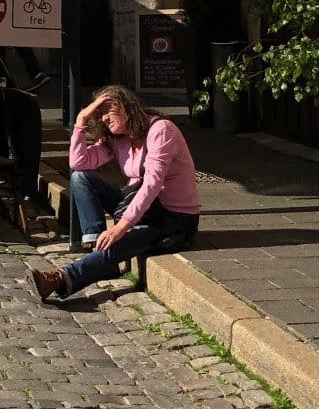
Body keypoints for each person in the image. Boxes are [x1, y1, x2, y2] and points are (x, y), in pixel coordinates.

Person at [31, 84, 201, 301]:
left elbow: (152, 183)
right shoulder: (118, 138)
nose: (103, 118)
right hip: (141, 206)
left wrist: (121, 227)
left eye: (108, 110)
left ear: (128, 107)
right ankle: (97, 248)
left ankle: (61, 278)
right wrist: (81, 121)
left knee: (119, 241)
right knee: (80, 177)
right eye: (98, 113)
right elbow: (79, 163)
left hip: (175, 218)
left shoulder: (161, 130)